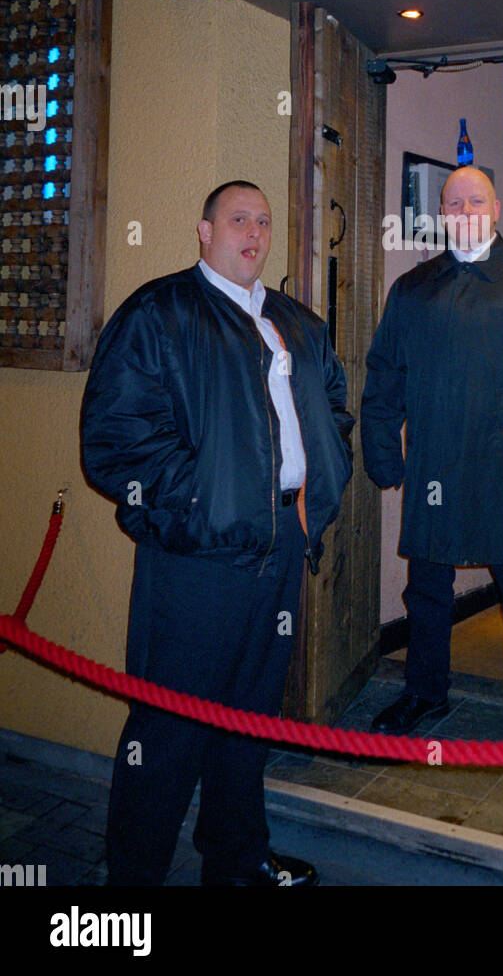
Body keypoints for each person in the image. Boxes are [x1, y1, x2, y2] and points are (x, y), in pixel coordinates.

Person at [80, 181, 353, 887]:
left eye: (262, 221)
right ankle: (130, 887)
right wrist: (202, 504)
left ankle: (236, 859)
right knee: (167, 731)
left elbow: (333, 411)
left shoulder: (298, 322)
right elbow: (116, 441)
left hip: (283, 547)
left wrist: (321, 477)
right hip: (197, 558)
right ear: (204, 231)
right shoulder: (160, 313)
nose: (253, 233)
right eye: (238, 219)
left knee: (251, 717)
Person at [361, 166, 503, 741]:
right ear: (441, 213)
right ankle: (424, 691)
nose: (463, 212)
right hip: (434, 464)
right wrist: (384, 452)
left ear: (496, 206)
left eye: (474, 201)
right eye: (452, 203)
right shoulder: (413, 288)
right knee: (427, 589)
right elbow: (384, 375)